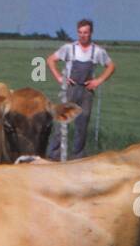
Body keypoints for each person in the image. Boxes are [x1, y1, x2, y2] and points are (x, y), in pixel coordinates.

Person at [46, 19, 114, 160]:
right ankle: (53, 156)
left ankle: (77, 157)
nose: (83, 35)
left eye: (86, 32)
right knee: (61, 124)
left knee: (82, 125)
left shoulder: (97, 51)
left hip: (86, 92)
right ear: (77, 32)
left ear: (91, 33)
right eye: (80, 32)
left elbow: (111, 66)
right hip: (70, 90)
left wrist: (98, 81)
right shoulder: (69, 48)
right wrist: (60, 78)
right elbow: (50, 60)